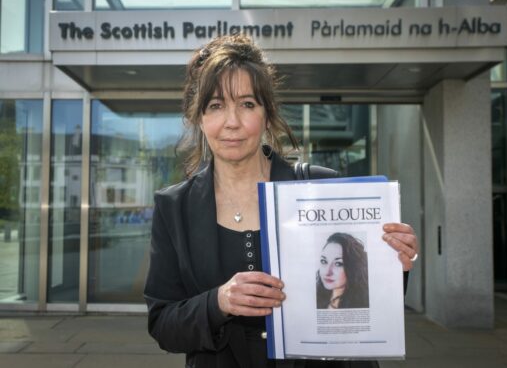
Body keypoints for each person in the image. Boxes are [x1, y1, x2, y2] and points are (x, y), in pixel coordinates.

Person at [144, 34, 419, 368]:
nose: (232, 122)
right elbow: (163, 325)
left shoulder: (323, 189)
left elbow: (365, 300)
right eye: (216, 106)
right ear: (199, 117)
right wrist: (217, 302)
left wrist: (392, 264)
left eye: (247, 104)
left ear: (266, 113)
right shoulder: (175, 208)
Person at [317, 233, 369, 310]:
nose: (327, 272)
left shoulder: (362, 304)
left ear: (353, 267)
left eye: (338, 264)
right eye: (324, 261)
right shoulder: (316, 298)